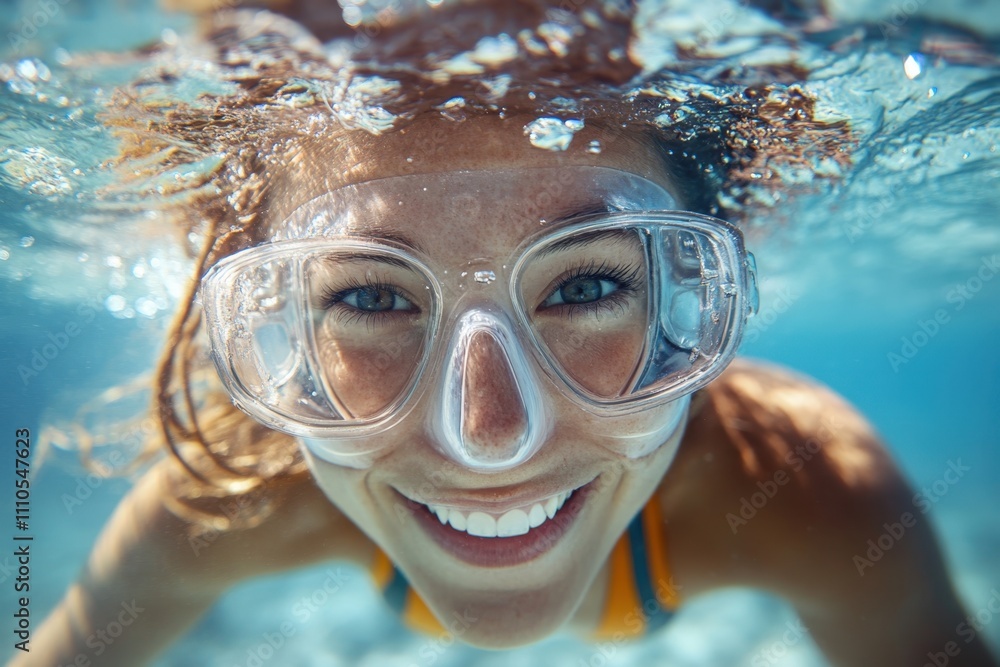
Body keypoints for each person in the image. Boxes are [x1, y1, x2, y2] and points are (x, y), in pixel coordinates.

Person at [14, 1, 998, 666]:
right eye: (369, 299)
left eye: (583, 285)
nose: (490, 435)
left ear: (689, 299)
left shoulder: (810, 491)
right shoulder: (236, 495)